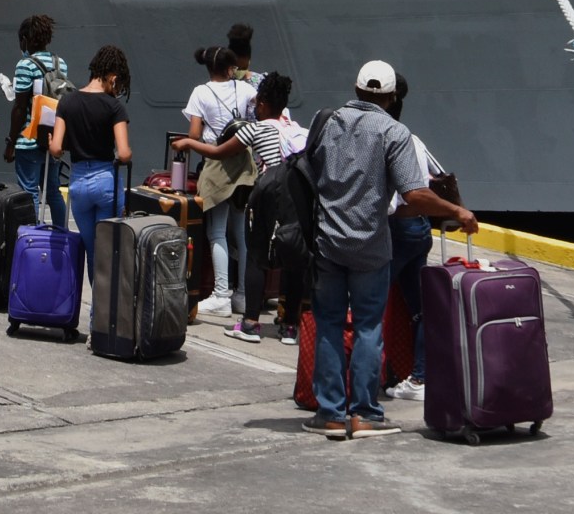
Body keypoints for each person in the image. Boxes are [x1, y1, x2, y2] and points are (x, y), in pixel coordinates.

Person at [297, 59, 476, 441]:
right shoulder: (394, 132)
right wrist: (457, 210)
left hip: (328, 241)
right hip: (371, 246)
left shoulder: (326, 121)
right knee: (367, 327)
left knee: (328, 324)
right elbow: (414, 193)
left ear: (357, 89)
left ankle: (329, 413)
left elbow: (306, 170)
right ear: (392, 97)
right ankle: (364, 414)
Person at [194, 73, 305, 344]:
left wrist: (188, 143)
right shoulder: (297, 129)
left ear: (264, 104)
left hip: (269, 194)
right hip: (297, 198)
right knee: (293, 258)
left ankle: (251, 324)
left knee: (257, 256)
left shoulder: (254, 128)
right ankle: (290, 326)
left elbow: (220, 151)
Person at [175, 44, 261, 320]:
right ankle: (243, 295)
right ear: (229, 68)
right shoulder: (246, 90)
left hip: (217, 164)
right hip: (244, 163)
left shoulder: (201, 92)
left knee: (216, 232)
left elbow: (195, 133)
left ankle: (221, 294)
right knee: (241, 233)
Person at [379, 71, 447, 400]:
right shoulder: (413, 138)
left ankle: (368, 377)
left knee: (370, 303)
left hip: (397, 228)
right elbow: (437, 175)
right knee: (420, 308)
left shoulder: (385, 139)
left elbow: (391, 201)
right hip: (420, 228)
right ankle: (419, 378)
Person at [49, 45, 133, 282]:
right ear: (113, 77)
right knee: (109, 251)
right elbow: (124, 153)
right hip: (105, 179)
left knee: (92, 250)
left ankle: (97, 313)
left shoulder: (67, 102)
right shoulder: (114, 106)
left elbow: (56, 148)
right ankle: (104, 314)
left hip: (78, 184)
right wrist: (123, 152)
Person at [1, 14, 73, 229]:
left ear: (25, 39)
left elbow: (20, 108)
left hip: (30, 139)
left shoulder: (25, 64)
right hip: (52, 138)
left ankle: (32, 237)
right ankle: (61, 234)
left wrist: (11, 142)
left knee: (29, 191)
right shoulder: (60, 63)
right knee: (53, 191)